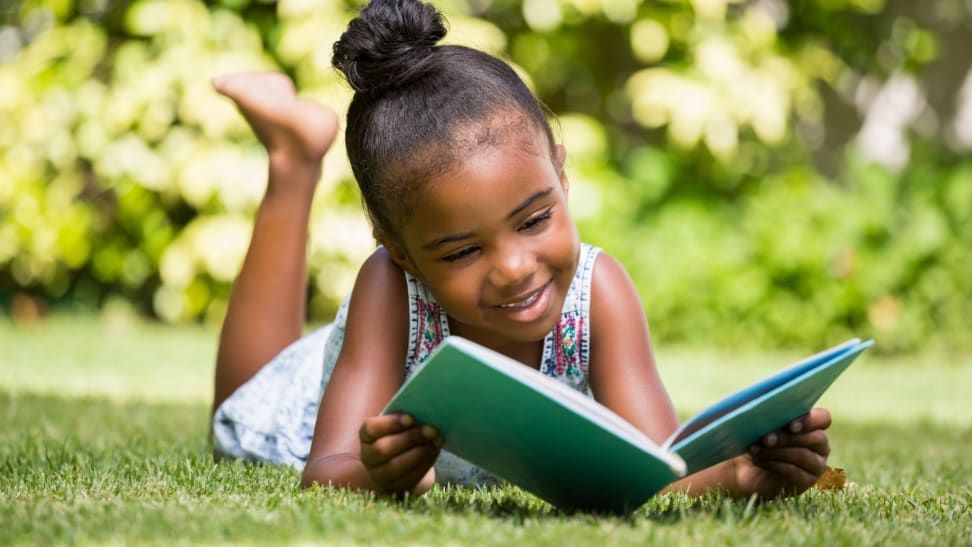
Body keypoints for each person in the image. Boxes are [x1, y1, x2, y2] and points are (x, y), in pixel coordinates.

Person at [210, 0, 833, 501]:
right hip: (306, 404)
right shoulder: (389, 288)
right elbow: (326, 471)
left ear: (561, 176)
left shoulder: (600, 293)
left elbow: (657, 468)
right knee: (238, 404)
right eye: (459, 253)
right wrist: (380, 474)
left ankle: (297, 151)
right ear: (397, 248)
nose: (513, 268)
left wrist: (746, 473)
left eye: (534, 219)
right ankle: (293, 162)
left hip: (354, 367)